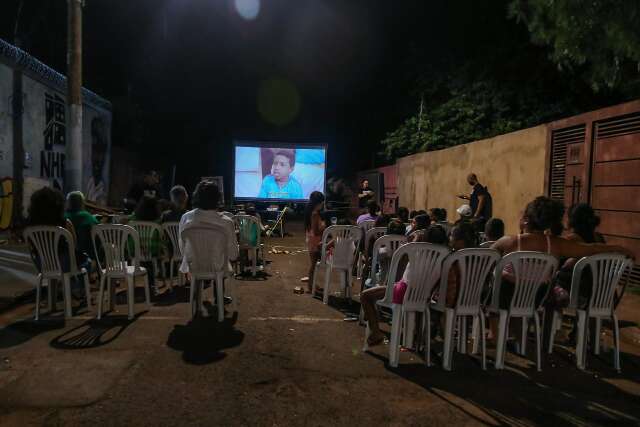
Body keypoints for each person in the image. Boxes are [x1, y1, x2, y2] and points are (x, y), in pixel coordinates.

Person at [490, 197, 634, 341]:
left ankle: (495, 337)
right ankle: (520, 339)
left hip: (506, 298)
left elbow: (486, 257)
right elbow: (591, 249)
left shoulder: (510, 241)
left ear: (526, 219)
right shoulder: (557, 244)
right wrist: (618, 248)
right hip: (535, 299)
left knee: (496, 286)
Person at [361, 223, 447, 346]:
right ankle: (417, 337)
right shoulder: (445, 256)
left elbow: (403, 253)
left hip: (402, 292)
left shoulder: (415, 249)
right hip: (424, 296)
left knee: (365, 296)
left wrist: (416, 240)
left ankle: (375, 332)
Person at [179, 180, 239, 278]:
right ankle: (219, 291)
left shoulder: (186, 218)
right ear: (218, 198)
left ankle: (195, 290)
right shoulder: (227, 222)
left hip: (194, 266)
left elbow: (182, 246)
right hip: (218, 267)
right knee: (222, 261)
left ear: (196, 197)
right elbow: (233, 255)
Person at [302, 191, 326, 291]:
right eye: (322, 202)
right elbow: (316, 231)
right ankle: (310, 287)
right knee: (314, 264)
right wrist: (324, 226)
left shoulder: (310, 211)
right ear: (318, 202)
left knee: (314, 264)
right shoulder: (315, 214)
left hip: (311, 239)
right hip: (314, 241)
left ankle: (312, 285)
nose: (323, 204)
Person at [65, 191, 99, 259]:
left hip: (63, 259)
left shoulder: (62, 217)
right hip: (84, 258)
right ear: (82, 202)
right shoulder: (88, 217)